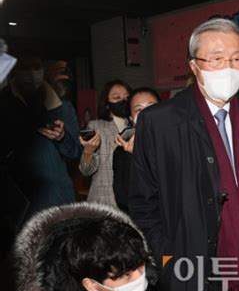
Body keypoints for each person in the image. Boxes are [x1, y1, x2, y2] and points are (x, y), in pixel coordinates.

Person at [129, 18, 239, 291]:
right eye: (217, 59)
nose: (229, 68)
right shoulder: (160, 121)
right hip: (193, 270)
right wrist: (168, 259)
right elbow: (143, 202)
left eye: (237, 58)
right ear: (194, 66)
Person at [14, 202, 160, 291]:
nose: (141, 278)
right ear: (91, 285)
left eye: (141, 265)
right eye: (126, 275)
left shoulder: (151, 286)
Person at [0, 56, 81, 217]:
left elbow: (75, 152)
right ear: (15, 70)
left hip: (56, 200)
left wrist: (62, 137)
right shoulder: (4, 103)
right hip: (17, 204)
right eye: (25, 67)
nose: (31, 72)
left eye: (36, 67)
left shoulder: (61, 105)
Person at [79, 79, 132, 207]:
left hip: (131, 199)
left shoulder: (137, 126)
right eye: (117, 97)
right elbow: (86, 171)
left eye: (127, 97)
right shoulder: (97, 126)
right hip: (104, 199)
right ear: (107, 103)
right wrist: (88, 151)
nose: (123, 101)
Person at [113, 87, 160, 212]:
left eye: (152, 106)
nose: (146, 113)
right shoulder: (122, 153)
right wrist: (136, 157)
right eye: (139, 110)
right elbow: (124, 199)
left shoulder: (180, 141)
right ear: (131, 118)